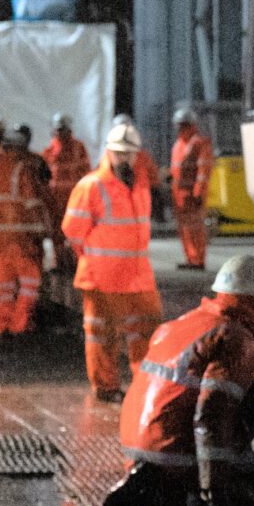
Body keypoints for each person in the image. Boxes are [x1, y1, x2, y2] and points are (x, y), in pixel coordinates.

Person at [101, 253, 254, 506]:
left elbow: (182, 385)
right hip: (170, 455)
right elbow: (211, 416)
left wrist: (252, 386)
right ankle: (167, 499)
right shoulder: (237, 338)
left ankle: (149, 480)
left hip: (140, 449)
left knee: (242, 402)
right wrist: (217, 495)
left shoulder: (182, 323)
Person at [64, 119, 165, 400]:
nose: (124, 158)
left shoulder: (140, 186)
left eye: (128, 153)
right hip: (103, 278)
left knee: (148, 328)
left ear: (136, 155)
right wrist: (96, 260)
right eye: (118, 152)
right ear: (108, 152)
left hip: (138, 276)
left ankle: (145, 384)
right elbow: (72, 231)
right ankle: (106, 387)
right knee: (104, 336)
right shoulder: (91, 186)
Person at [0, 116, 47, 338]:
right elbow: (32, 207)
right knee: (30, 286)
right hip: (19, 244)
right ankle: (17, 327)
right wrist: (40, 236)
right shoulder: (23, 170)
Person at [170, 105, 216, 271]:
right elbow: (176, 170)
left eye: (183, 125)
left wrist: (198, 193)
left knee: (195, 228)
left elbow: (204, 171)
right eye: (179, 125)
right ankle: (190, 258)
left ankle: (198, 259)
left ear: (191, 125)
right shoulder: (178, 145)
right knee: (184, 229)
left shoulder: (199, 143)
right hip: (179, 196)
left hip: (192, 196)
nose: (180, 129)